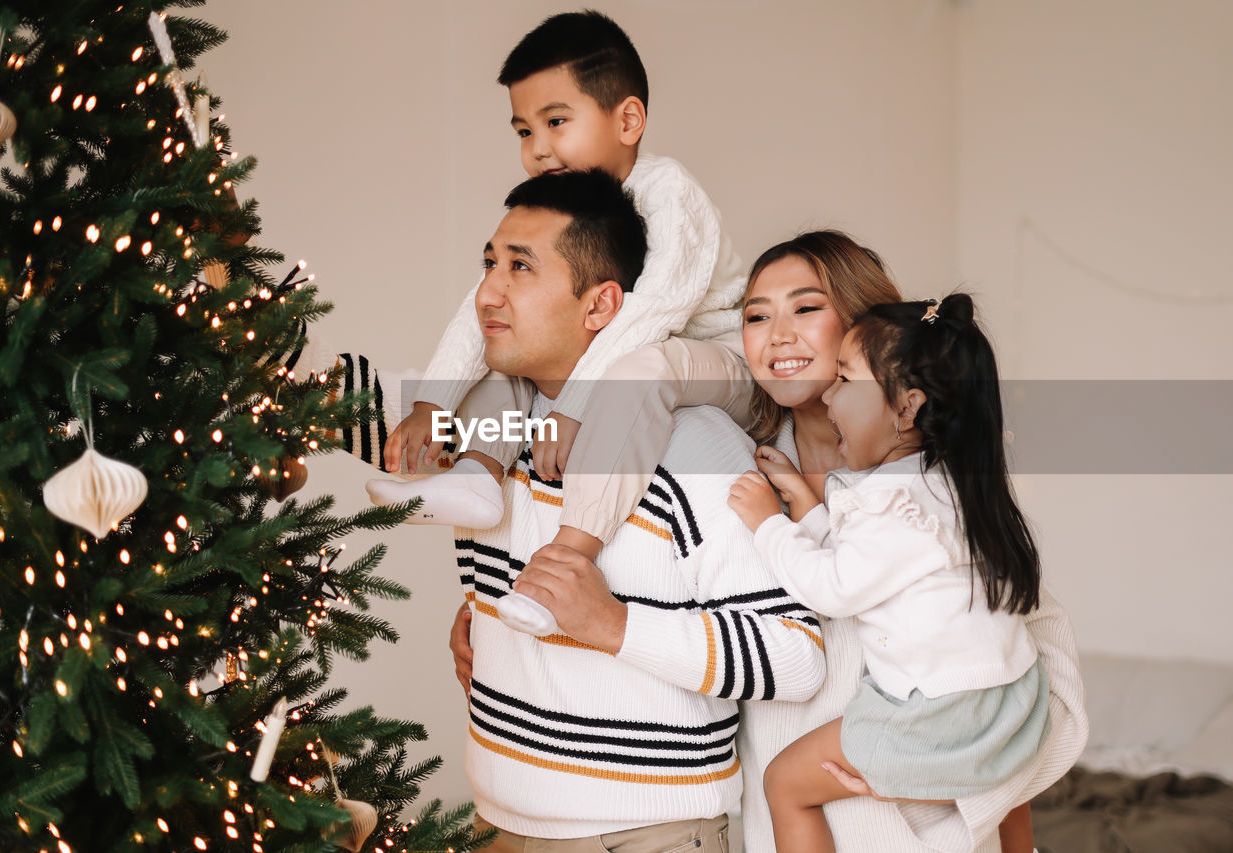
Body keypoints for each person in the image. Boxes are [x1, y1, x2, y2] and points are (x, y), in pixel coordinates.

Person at [453, 231, 1088, 852]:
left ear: (870, 332)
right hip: (778, 824)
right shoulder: (734, 467)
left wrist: (953, 780)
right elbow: (649, 600)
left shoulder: (934, 493)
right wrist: (492, 631)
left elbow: (1022, 680)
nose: (778, 335)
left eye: (807, 309)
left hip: (924, 826)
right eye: (756, 316)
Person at [452, 169, 826, 851]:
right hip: (493, 825)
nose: (487, 293)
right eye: (488, 264)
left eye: (521, 268)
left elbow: (796, 655)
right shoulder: (495, 442)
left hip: (644, 836)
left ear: (600, 306)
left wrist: (612, 622)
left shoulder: (695, 444)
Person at [368, 11, 751, 637]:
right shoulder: (563, 209)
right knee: (512, 345)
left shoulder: (667, 191)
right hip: (621, 353)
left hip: (709, 355)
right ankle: (478, 475)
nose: (537, 148)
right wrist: (433, 406)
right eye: (524, 129)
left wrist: (575, 403)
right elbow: (483, 307)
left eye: (556, 122)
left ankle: (574, 552)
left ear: (628, 121)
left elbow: (653, 313)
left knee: (635, 366)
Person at [730, 289, 1052, 852]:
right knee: (1009, 804)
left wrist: (768, 524)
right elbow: (871, 564)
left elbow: (834, 589)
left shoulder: (887, 502)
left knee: (784, 783)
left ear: (907, 407)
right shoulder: (956, 487)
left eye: (847, 379)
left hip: (935, 719)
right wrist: (807, 507)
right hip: (1011, 708)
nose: (831, 394)